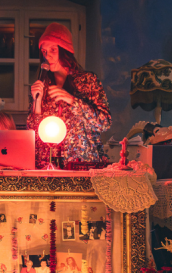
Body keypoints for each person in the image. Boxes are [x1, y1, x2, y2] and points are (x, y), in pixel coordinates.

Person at [28, 23, 111, 168]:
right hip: (48, 166)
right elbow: (33, 134)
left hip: (81, 164)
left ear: (65, 50)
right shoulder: (43, 86)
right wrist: (37, 103)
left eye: (53, 49)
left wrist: (73, 101)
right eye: (44, 51)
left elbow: (104, 123)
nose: (47, 56)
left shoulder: (88, 81)